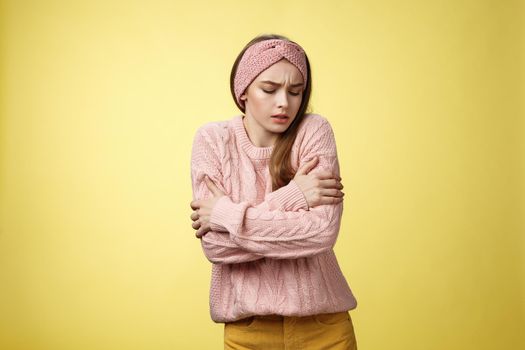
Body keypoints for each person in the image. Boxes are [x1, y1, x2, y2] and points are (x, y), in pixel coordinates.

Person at [189, 33, 358, 350]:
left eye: (295, 92)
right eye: (269, 89)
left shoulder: (313, 130)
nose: (284, 102)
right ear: (244, 91)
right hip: (248, 330)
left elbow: (321, 233)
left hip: (324, 327)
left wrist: (225, 214)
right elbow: (216, 248)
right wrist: (292, 197)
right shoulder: (212, 140)